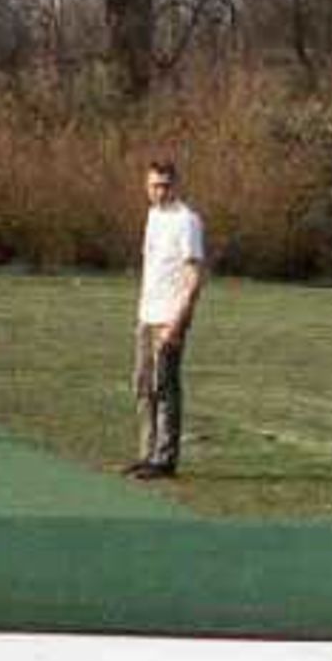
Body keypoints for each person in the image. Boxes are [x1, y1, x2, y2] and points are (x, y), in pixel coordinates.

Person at [126, 158, 206, 480]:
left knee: (165, 387)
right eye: (153, 185)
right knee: (143, 386)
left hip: (169, 317)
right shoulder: (152, 216)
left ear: (175, 185)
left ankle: (164, 458)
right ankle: (146, 452)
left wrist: (178, 321)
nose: (159, 191)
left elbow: (194, 275)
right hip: (147, 314)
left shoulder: (187, 221)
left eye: (165, 185)